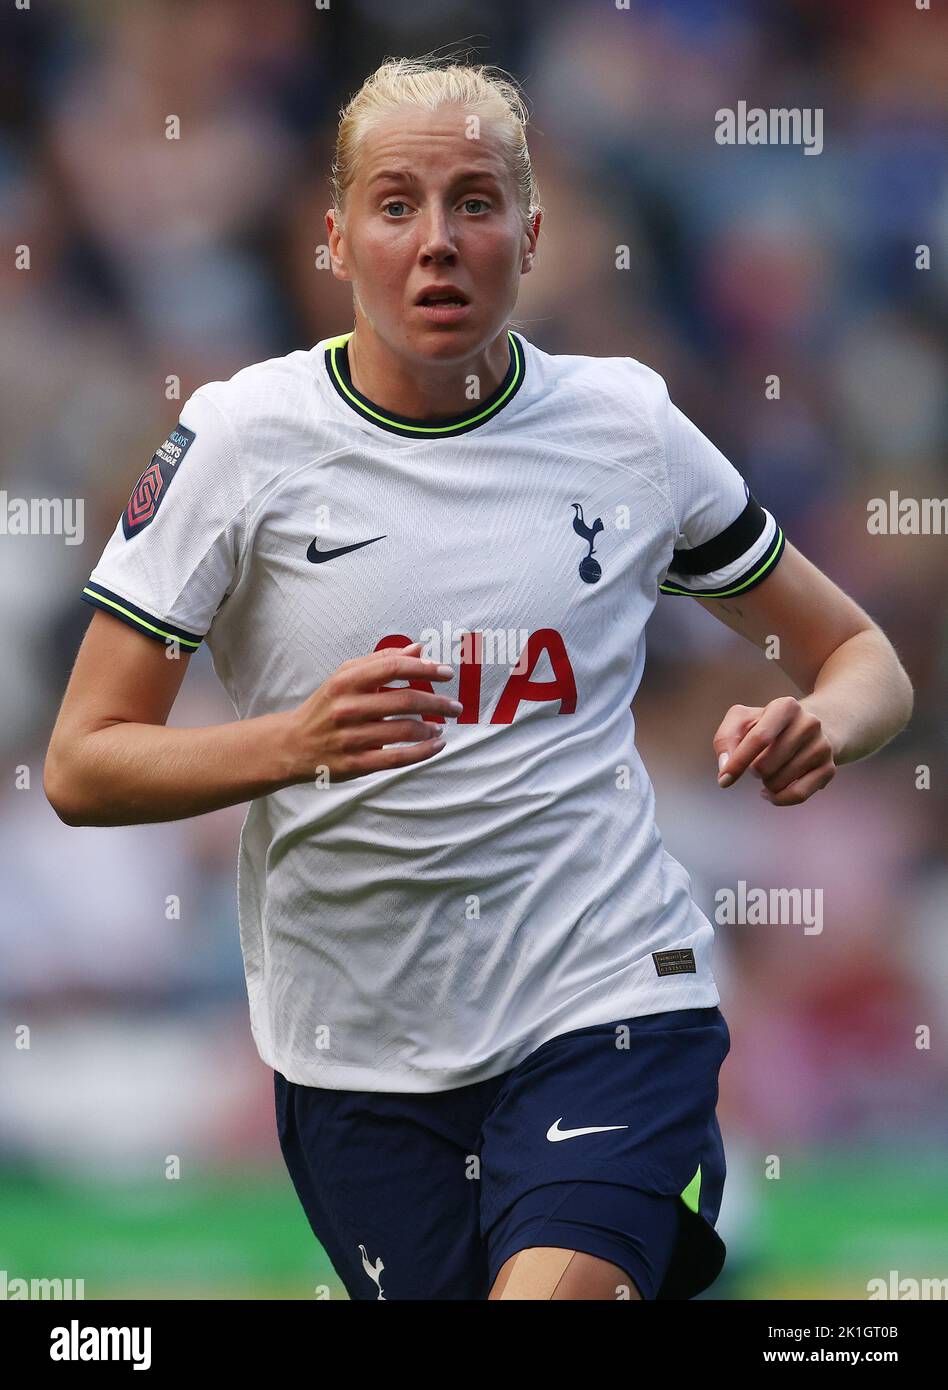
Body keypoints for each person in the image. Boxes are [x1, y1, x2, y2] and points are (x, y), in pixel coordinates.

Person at [44, 55, 913, 1301]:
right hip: (359, 1052)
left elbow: (861, 657)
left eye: (476, 202)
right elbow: (81, 761)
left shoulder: (627, 426)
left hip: (609, 996)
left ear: (535, 232)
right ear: (336, 237)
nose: (438, 242)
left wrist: (820, 721)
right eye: (397, 204)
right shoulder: (240, 442)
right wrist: (292, 743)